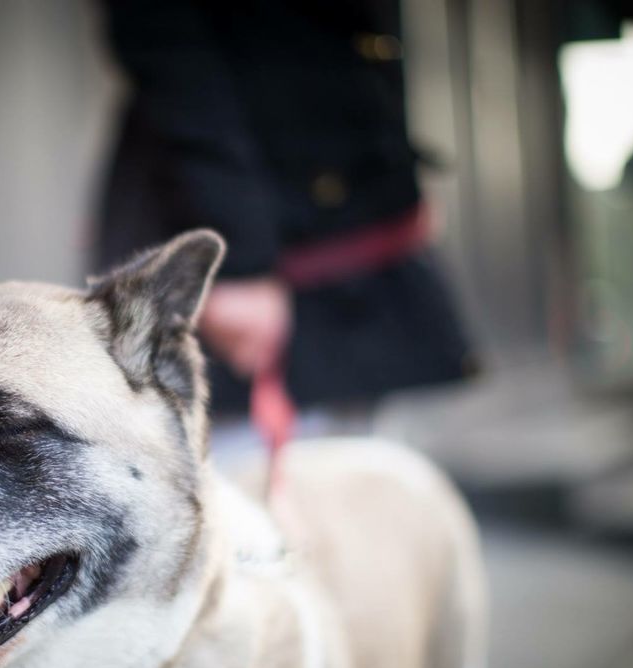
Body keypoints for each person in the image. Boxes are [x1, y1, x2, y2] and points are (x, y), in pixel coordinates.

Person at [97, 0, 477, 439]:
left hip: (340, 239)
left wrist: (395, 176)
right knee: (254, 476)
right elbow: (172, 52)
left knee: (339, 465)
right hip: (257, 252)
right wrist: (237, 262)